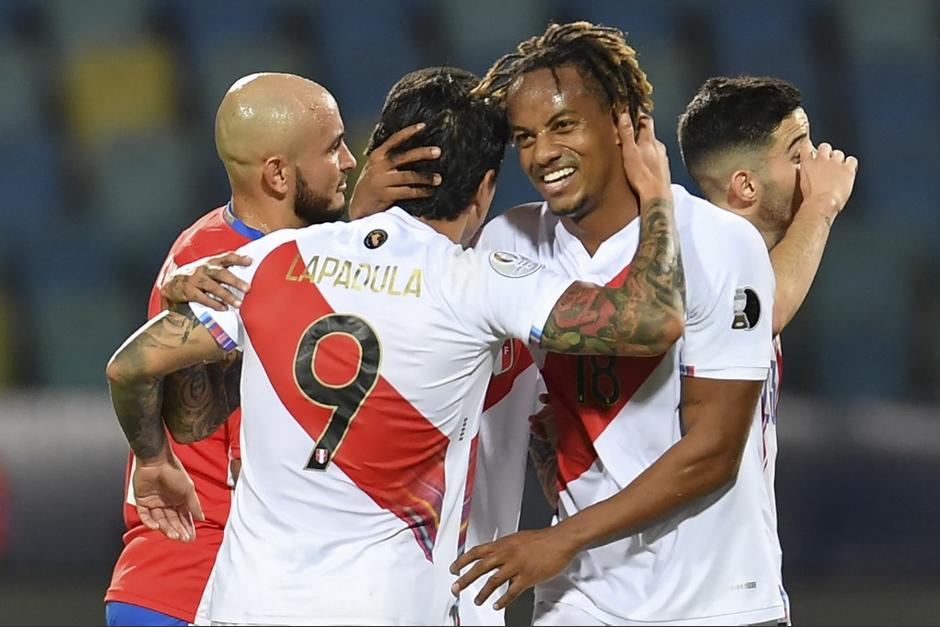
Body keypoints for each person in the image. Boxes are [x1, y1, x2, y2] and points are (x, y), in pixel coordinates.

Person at [104, 67, 684, 625]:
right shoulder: (480, 280)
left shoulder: (270, 259)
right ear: (484, 188)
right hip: (384, 605)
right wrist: (657, 193)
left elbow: (129, 367)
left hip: (243, 605)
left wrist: (153, 462)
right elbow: (652, 319)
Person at [450, 22, 785, 626]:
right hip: (582, 600)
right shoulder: (511, 244)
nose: (542, 154)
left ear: (623, 122)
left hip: (718, 601)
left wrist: (559, 539)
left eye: (563, 126)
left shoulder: (720, 241)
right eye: (524, 137)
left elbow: (713, 453)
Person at [103, 71, 441, 626]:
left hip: (228, 577)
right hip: (198, 577)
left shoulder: (269, 251)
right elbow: (199, 415)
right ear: (278, 174)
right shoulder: (219, 265)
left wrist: (361, 225)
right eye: (334, 148)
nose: (351, 163)